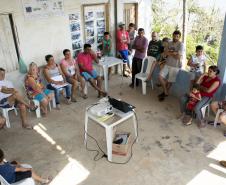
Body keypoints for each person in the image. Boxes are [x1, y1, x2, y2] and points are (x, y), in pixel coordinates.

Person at [158, 30, 184, 101]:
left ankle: (164, 93)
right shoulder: (169, 43)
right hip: (167, 63)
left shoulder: (181, 45)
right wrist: (174, 53)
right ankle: (166, 92)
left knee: (170, 81)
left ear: (179, 37)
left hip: (175, 66)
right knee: (160, 77)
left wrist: (170, 53)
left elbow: (178, 57)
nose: (175, 37)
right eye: (174, 36)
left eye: (177, 36)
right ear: (172, 35)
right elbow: (165, 53)